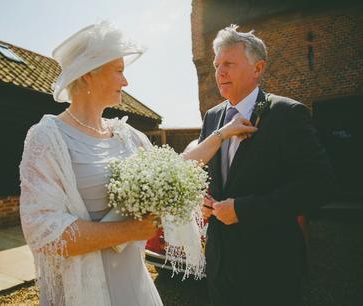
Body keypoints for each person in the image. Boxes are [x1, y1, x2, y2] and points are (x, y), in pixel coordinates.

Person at [19, 21, 255, 306]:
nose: (125, 81)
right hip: (83, 292)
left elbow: (174, 170)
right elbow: (43, 232)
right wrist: (130, 231)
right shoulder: (48, 138)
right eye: (119, 70)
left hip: (132, 286)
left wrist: (221, 133)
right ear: (88, 75)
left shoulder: (126, 136)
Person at [199, 25, 336, 306]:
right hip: (220, 265)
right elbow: (204, 176)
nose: (219, 73)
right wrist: (201, 200)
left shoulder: (287, 114)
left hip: (270, 264)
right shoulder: (212, 118)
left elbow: (320, 185)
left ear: (257, 68)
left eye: (228, 64)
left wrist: (243, 209)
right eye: (216, 66)